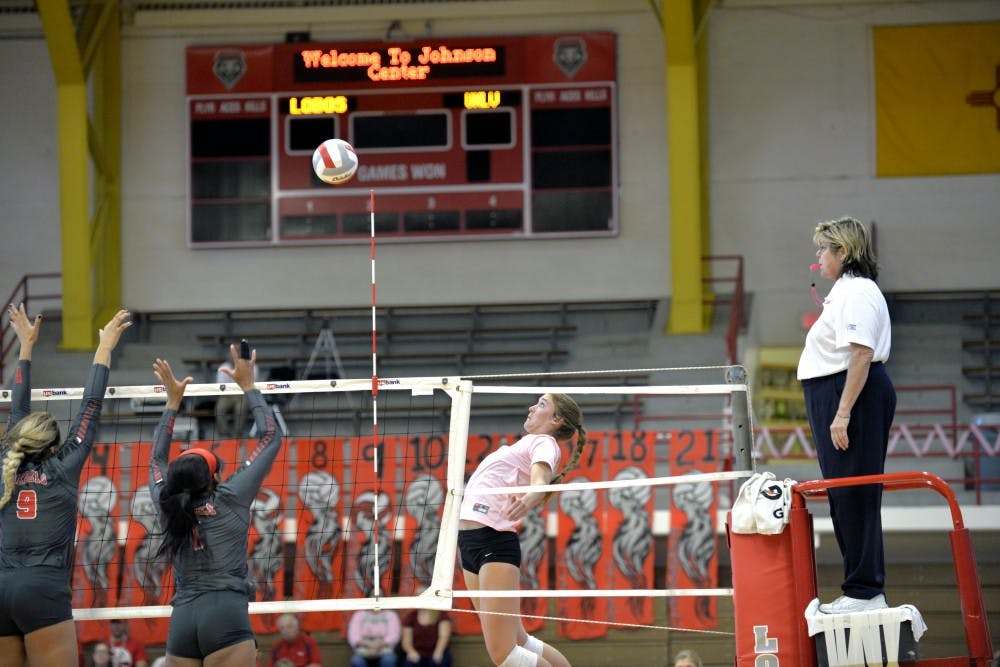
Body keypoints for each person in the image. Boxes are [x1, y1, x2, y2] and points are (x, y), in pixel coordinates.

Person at [0, 304, 132, 667]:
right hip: (43, 590)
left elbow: (17, 407)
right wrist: (104, 347)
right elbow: (90, 406)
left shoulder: (5, 463)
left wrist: (25, 345)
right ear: (55, 447)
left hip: (2, 586)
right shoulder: (63, 467)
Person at [149, 343, 282, 666]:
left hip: (182, 621)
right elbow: (270, 437)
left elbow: (155, 459)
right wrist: (249, 387)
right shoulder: (231, 497)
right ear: (215, 479)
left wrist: (171, 404)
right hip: (225, 615)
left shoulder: (166, 502)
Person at [797, 217, 896, 614]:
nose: (818, 257)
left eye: (823, 249)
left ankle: (865, 591)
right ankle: (862, 589)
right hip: (838, 392)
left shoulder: (857, 291)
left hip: (850, 394)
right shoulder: (844, 292)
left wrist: (841, 414)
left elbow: (860, 353)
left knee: (854, 492)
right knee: (843, 494)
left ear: (843, 251)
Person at [458, 393, 586, 667]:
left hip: (493, 541)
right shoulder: (529, 443)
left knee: (504, 654)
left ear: (555, 419)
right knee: (519, 642)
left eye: (541, 404)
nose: (531, 407)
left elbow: (541, 480)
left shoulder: (545, 443)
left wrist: (530, 497)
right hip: (470, 541)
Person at [214, 356, 258, 439]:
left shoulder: (251, 366)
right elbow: (220, 386)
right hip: (228, 395)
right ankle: (224, 435)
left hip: (244, 395)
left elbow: (253, 385)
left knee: (240, 408)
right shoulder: (224, 367)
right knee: (220, 408)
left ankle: (236, 435)